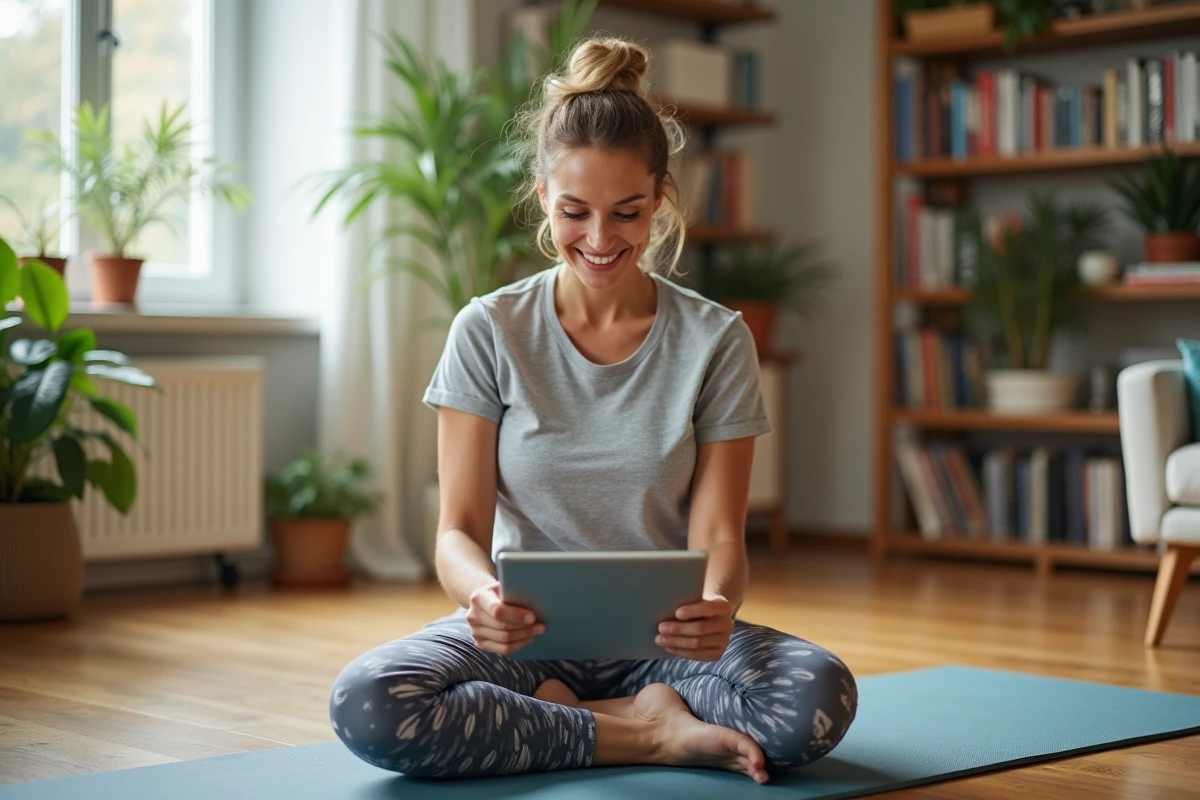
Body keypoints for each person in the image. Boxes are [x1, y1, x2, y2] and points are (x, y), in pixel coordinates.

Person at [329, 36, 857, 785]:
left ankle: (564, 717)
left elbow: (719, 535)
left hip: (667, 647)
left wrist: (715, 604)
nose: (601, 240)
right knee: (370, 703)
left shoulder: (716, 340)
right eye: (575, 212)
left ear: (661, 199)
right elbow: (456, 532)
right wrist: (481, 595)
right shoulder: (488, 330)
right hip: (523, 644)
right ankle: (647, 731)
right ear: (543, 195)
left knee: (816, 701)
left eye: (627, 213)